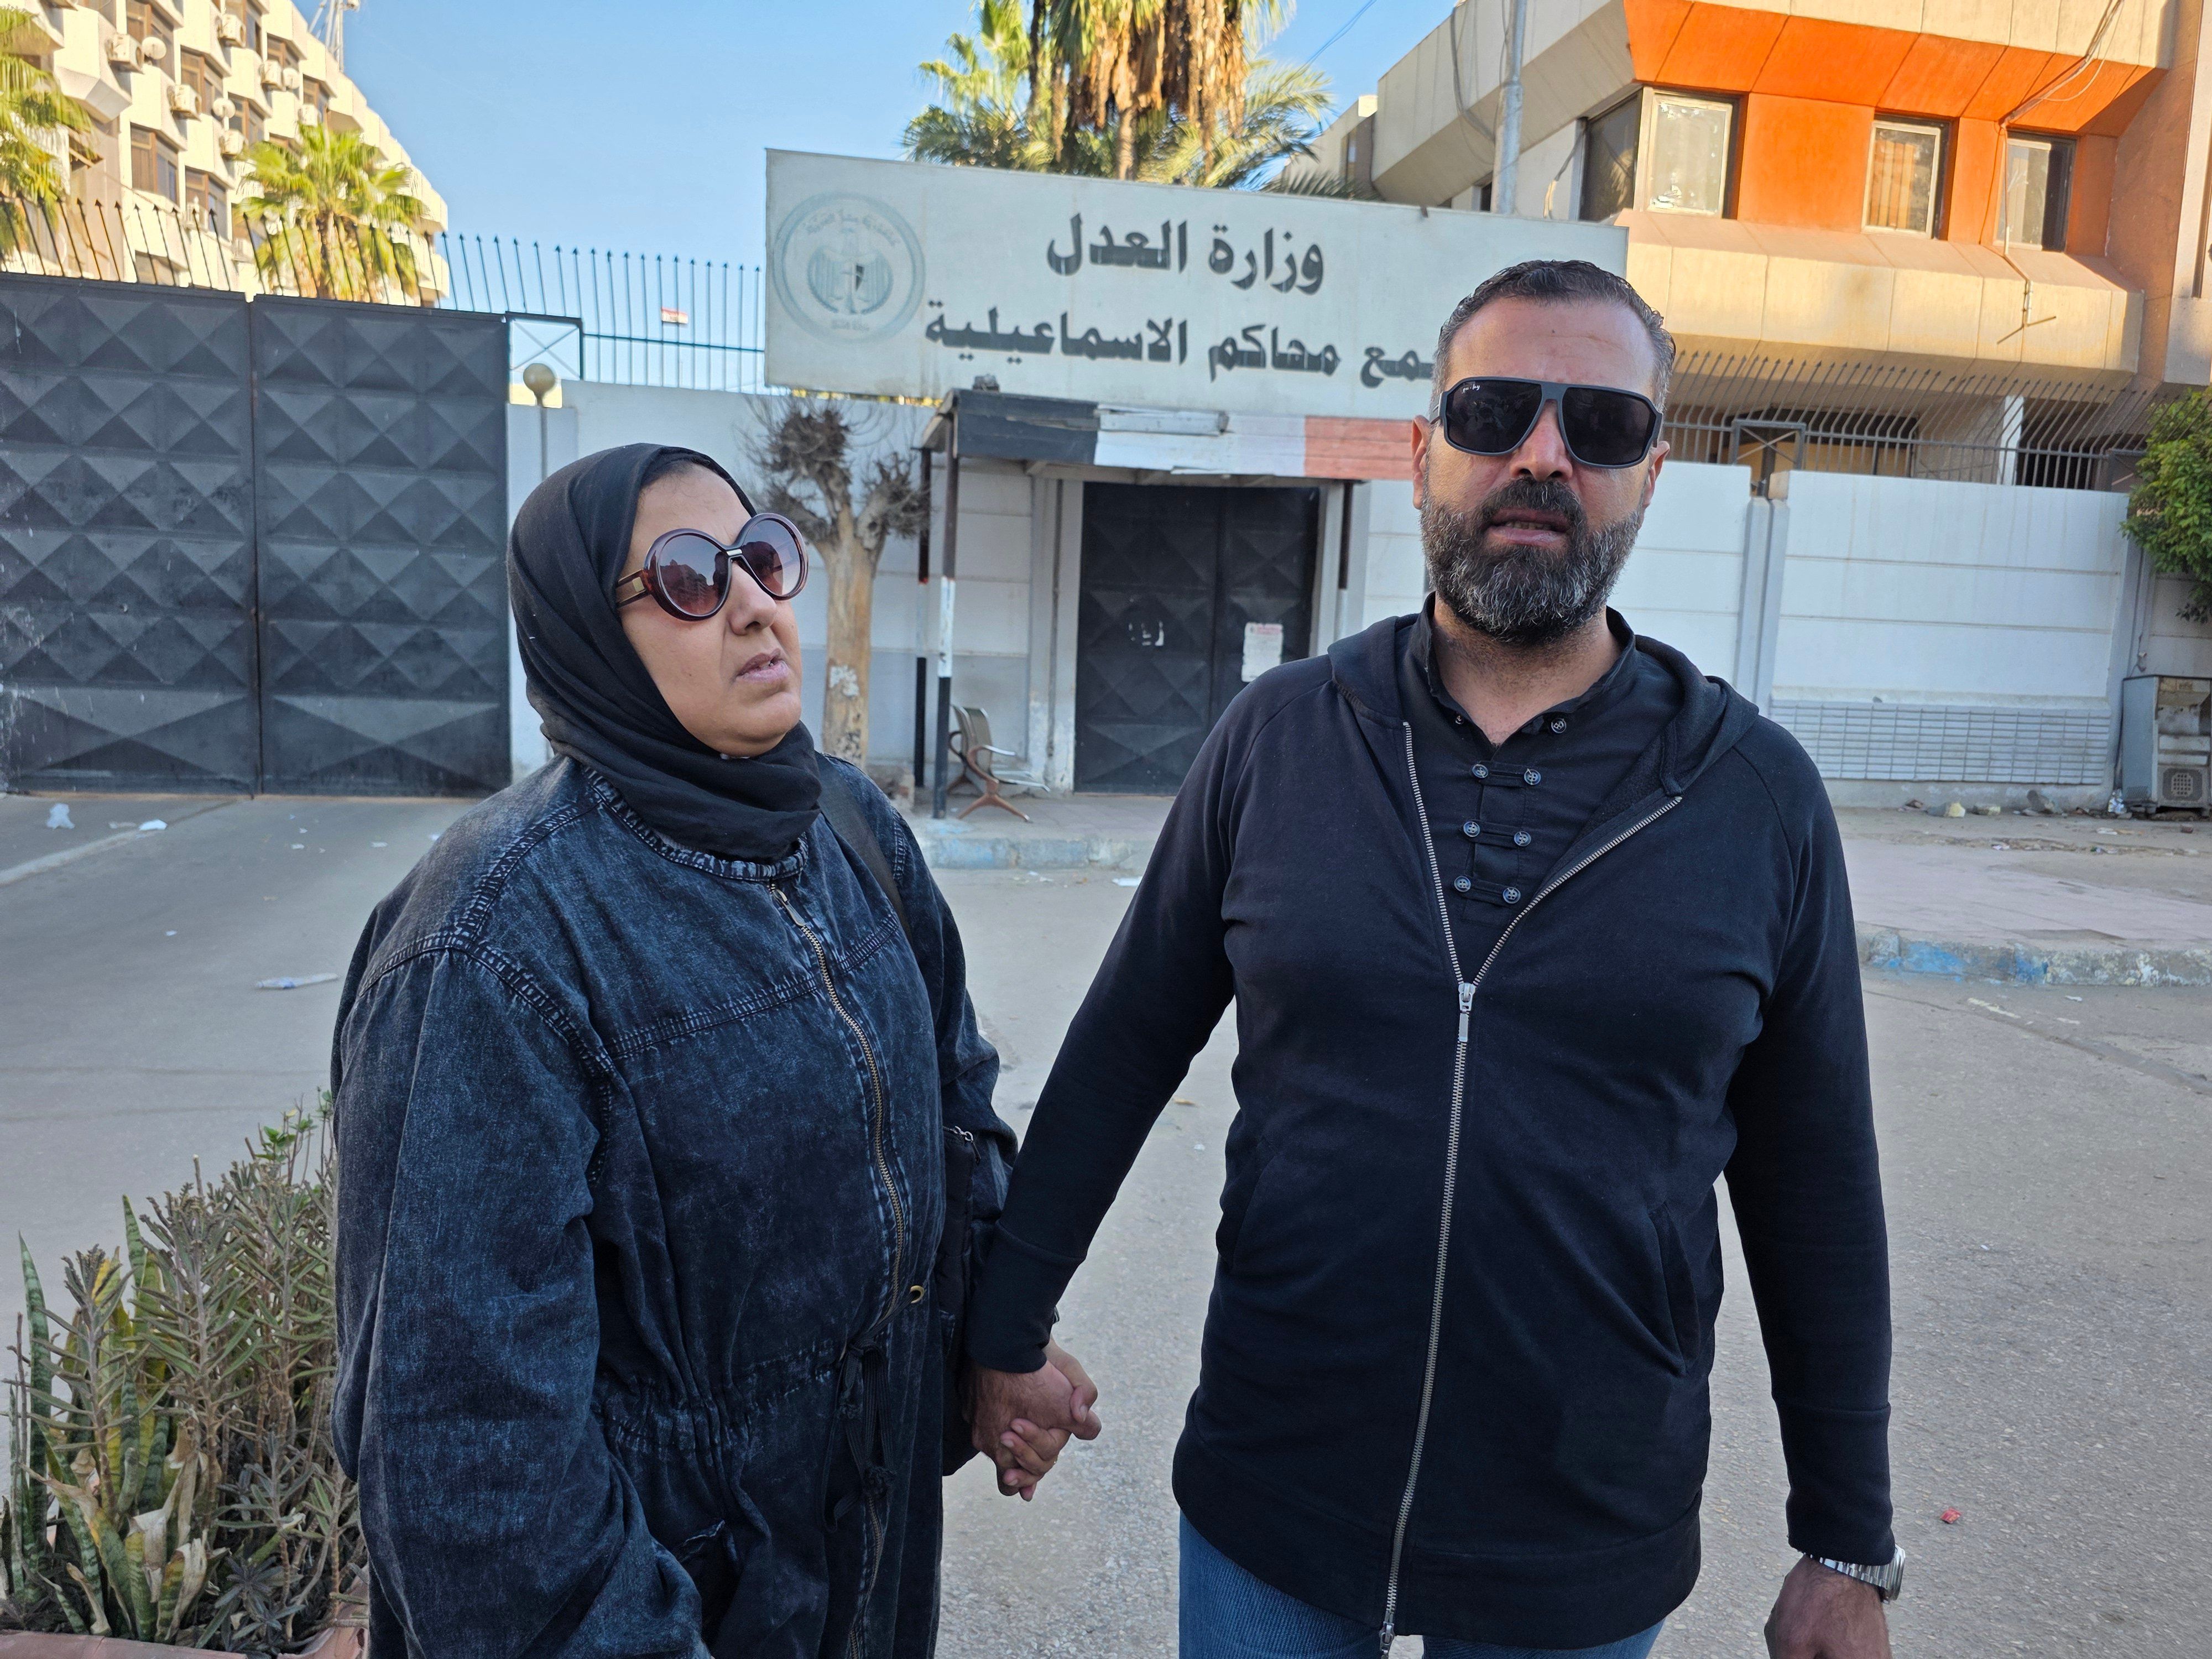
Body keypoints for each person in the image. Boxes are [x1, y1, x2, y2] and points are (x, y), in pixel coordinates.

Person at [962, 261, 1900, 1659]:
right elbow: (1119, 1054)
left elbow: (1813, 1185)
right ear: (1421, 454)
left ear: (1650, 474)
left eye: (1599, 424)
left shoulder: (1753, 797)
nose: (1541, 455)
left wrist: (1844, 1537)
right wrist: (1004, 1332)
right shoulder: (1278, 740)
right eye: (1491, 410)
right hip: (1275, 1493)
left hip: (1578, 1532)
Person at [329, 444, 1095, 1659]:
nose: (750, 603)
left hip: (867, 1567)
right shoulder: (489, 947)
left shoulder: (845, 825)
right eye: (688, 578)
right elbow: (469, 1462)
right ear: (589, 633)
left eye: (764, 556)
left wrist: (996, 1345)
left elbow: (955, 1106)